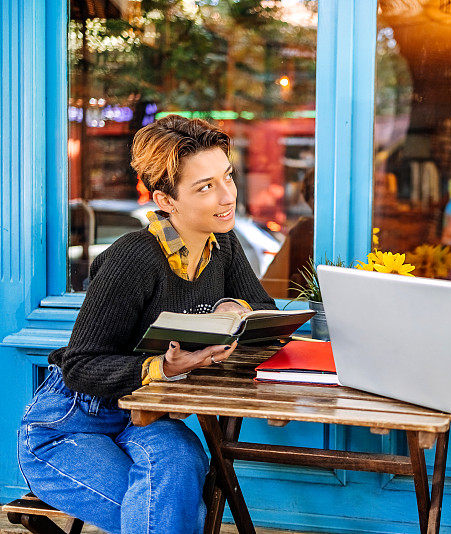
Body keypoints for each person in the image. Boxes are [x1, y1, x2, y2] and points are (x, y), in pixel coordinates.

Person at [17, 115, 277, 534]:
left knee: (180, 468)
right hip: (71, 424)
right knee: (165, 518)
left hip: (150, 416)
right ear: (167, 200)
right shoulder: (133, 259)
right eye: (205, 187)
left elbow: (260, 308)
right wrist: (163, 368)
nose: (227, 196)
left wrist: (232, 309)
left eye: (227, 177)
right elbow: (82, 365)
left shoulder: (222, 242)